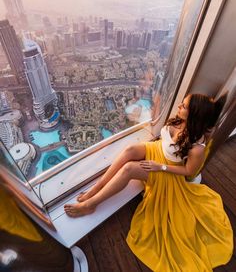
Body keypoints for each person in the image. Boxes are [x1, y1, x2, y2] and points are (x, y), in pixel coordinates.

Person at [64, 93, 233, 271]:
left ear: (194, 114)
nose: (179, 107)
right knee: (129, 150)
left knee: (129, 169)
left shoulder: (197, 148)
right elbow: (164, 140)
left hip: (167, 172)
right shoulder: (178, 121)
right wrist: (157, 104)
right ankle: (96, 188)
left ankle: (91, 203)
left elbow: (188, 171)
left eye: (183, 106)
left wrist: (160, 168)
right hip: (158, 151)